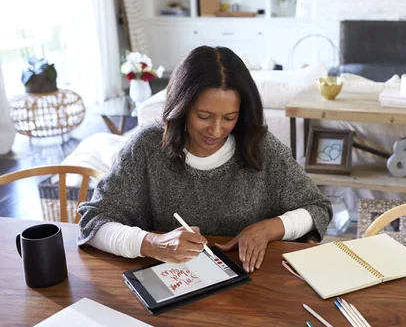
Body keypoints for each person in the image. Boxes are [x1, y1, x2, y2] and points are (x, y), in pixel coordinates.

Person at [78, 46, 332, 273]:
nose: (217, 130)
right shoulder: (146, 147)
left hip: (248, 291)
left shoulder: (260, 146)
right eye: (204, 116)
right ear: (182, 106)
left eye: (230, 117)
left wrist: (268, 228)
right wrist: (152, 244)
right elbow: (93, 223)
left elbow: (318, 209)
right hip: (172, 284)